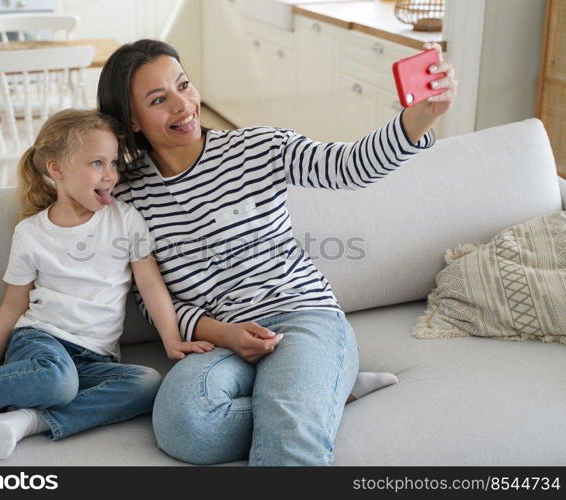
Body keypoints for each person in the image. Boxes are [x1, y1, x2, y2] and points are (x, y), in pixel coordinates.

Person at [97, 39, 457, 466]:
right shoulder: (129, 195)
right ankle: (326, 391)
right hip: (220, 341)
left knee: (290, 430)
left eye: (184, 85)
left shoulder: (257, 148)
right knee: (185, 425)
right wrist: (223, 333)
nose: (183, 105)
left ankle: (309, 393)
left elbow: (349, 167)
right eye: (159, 100)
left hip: (301, 315)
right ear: (132, 121)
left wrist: (418, 119)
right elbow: (150, 295)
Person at [0, 109, 214, 459]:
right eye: (97, 163)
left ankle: (30, 420)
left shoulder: (125, 219)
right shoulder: (31, 232)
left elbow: (151, 284)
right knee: (56, 379)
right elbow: (13, 303)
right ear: (56, 170)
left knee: (147, 383)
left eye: (113, 163)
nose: (110, 175)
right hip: (40, 340)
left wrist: (171, 339)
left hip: (96, 355)